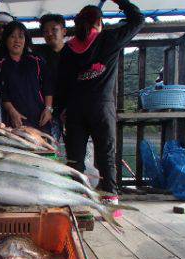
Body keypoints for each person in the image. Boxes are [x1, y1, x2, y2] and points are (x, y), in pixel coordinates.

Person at [56, 0, 144, 202]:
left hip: (75, 110)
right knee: (105, 155)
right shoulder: (109, 39)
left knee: (75, 158)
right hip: (101, 107)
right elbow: (138, 20)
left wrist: (60, 110)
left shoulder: (68, 50)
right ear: (99, 22)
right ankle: (110, 199)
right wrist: (120, 1)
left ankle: (76, 200)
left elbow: (61, 84)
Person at [0, 21, 54, 131]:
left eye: (21, 36)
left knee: (45, 147)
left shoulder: (37, 60)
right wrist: (12, 112)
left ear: (26, 40)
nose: (17, 40)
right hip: (13, 119)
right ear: (6, 39)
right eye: (12, 36)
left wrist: (48, 109)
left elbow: (48, 85)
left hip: (40, 118)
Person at [35, 14, 67, 140]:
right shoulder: (38, 56)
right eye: (46, 31)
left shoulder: (75, 54)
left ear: (64, 31)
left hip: (72, 112)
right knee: (49, 151)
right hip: (47, 112)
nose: (50, 34)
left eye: (54, 29)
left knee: (78, 154)